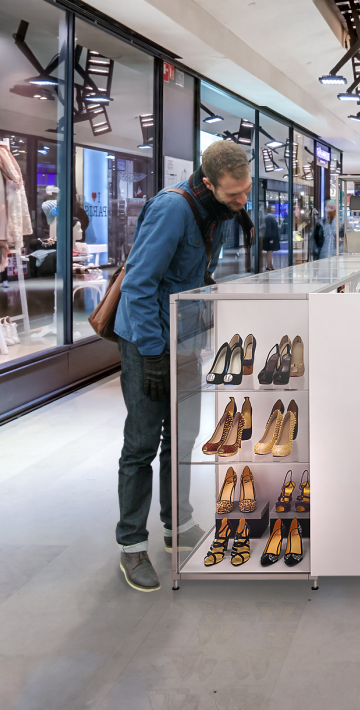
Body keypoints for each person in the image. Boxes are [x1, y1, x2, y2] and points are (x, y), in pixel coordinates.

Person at [112, 139, 252, 591]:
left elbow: (193, 276)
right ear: (208, 183)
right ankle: (132, 545)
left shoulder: (220, 213)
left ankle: (178, 526)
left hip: (187, 340)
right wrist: (153, 355)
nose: (242, 200)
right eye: (233, 194)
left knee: (184, 437)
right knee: (141, 444)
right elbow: (138, 285)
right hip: (148, 343)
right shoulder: (173, 209)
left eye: (246, 191)